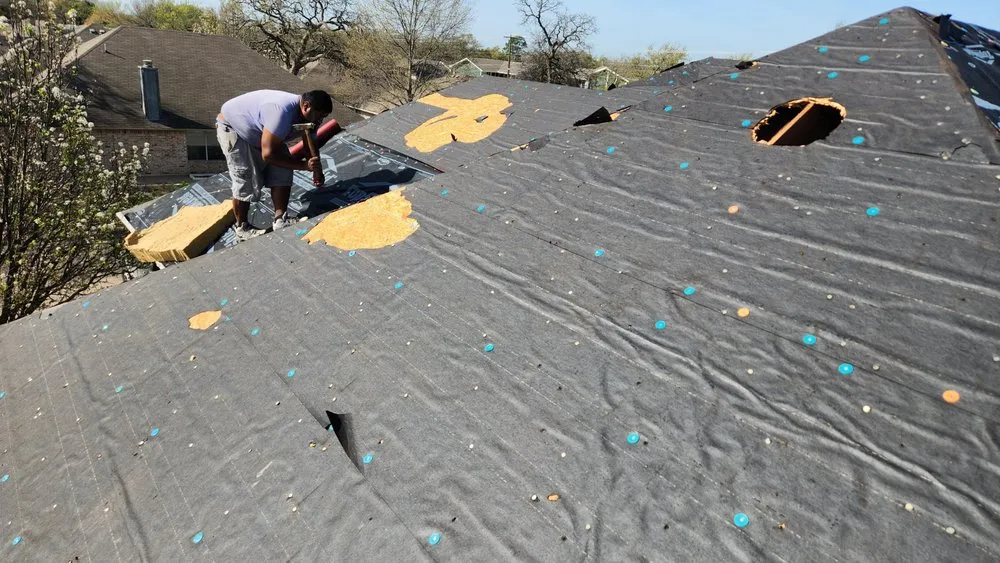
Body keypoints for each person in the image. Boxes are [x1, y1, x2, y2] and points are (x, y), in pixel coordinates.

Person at [216, 90, 331, 240]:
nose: (320, 121)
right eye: (319, 115)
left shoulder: (311, 119)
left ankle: (280, 220)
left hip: (260, 133)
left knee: (283, 168)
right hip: (234, 128)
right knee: (245, 177)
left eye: (324, 117)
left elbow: (310, 145)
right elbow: (268, 155)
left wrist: (317, 170)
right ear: (306, 106)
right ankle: (242, 228)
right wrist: (303, 166)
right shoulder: (282, 112)